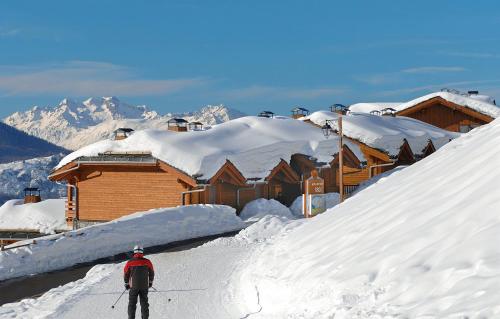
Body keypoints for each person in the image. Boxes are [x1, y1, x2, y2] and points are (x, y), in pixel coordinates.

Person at [124, 245, 155, 319]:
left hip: (133, 287)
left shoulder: (130, 262)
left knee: (132, 304)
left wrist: (126, 283)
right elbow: (152, 272)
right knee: (144, 303)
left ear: (134, 252)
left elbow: (126, 273)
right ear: (142, 251)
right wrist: (150, 282)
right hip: (144, 286)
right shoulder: (147, 262)